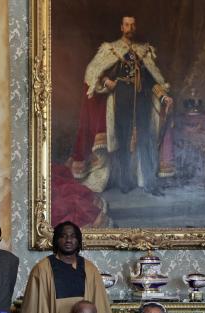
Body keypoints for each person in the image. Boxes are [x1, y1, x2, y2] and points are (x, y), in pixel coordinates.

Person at [70, 15, 173, 196]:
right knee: (123, 142)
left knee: (146, 140)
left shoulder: (144, 51)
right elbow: (93, 72)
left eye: (133, 25)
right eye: (127, 25)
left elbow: (150, 79)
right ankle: (125, 183)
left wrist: (163, 97)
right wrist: (106, 80)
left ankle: (150, 183)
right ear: (121, 27)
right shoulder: (111, 50)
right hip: (120, 100)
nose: (130, 28)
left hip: (143, 101)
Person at [20, 221, 110, 313]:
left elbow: (100, 308)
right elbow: (32, 310)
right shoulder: (42, 269)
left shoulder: (90, 269)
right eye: (63, 236)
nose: (68, 240)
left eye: (73, 236)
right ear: (56, 240)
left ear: (79, 241)